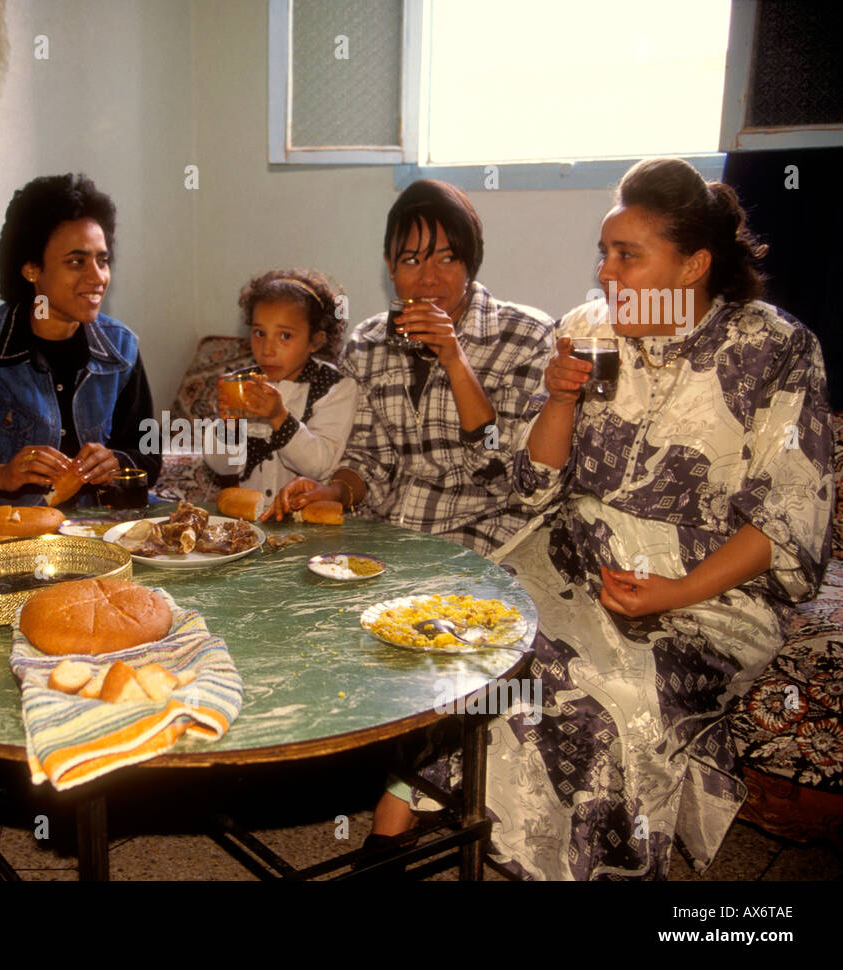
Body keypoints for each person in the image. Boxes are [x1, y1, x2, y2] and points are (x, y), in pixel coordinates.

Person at [377, 158, 833, 879]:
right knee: (457, 642)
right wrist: (558, 400)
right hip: (570, 555)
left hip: (706, 588)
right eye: (603, 252)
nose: (606, 271)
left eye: (627, 255)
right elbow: (530, 487)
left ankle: (587, 864)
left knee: (584, 693)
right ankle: (404, 822)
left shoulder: (774, 349)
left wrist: (673, 594)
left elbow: (787, 522)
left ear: (693, 265)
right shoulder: (588, 328)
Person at [266, 180, 554, 555]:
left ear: (471, 263)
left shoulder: (525, 337)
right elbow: (368, 460)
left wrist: (454, 359)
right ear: (390, 266)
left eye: (447, 259)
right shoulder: (368, 343)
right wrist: (335, 491)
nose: (429, 278)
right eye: (412, 260)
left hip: (483, 545)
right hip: (384, 539)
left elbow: (506, 477)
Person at [0, 173, 161, 511]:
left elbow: (148, 455)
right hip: (6, 540)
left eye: (102, 260)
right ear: (32, 268)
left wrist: (117, 463)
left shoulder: (122, 348)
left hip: (101, 534)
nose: (97, 278)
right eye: (77, 261)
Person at [201, 269, 357, 503]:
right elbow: (223, 467)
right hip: (249, 523)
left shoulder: (336, 388)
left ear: (315, 340)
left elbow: (320, 466)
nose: (267, 349)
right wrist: (229, 425)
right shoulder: (240, 384)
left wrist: (279, 417)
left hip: (307, 523)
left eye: (285, 336)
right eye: (259, 333)